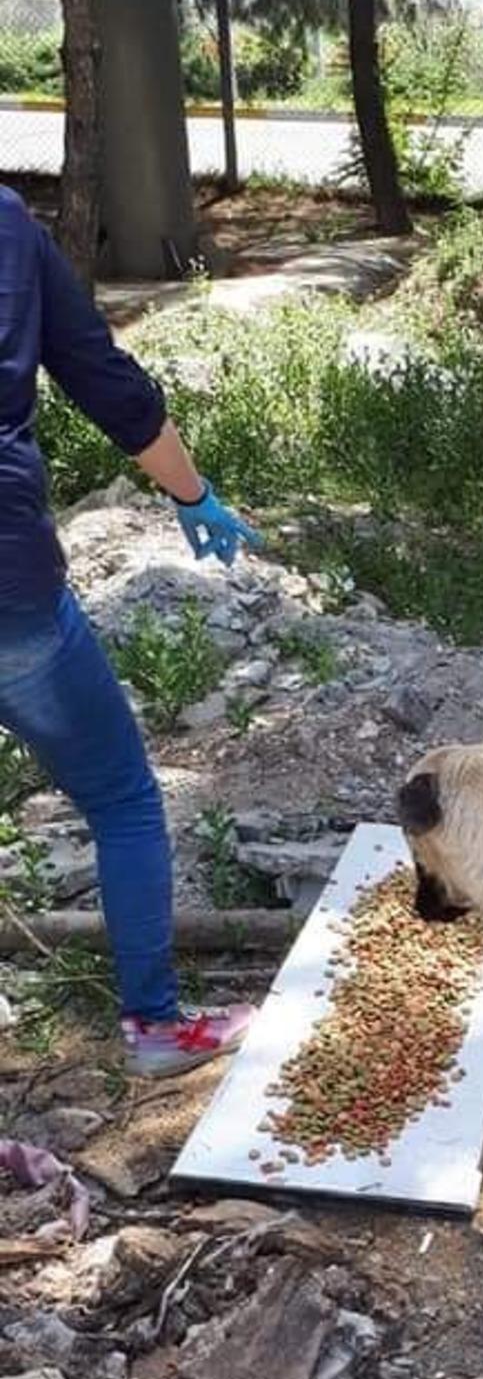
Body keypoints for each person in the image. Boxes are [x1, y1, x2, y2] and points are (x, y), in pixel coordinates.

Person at [0, 184, 260, 1075]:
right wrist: (194, 493)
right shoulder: (6, 226)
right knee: (121, 798)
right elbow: (108, 384)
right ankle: (153, 1025)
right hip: (11, 593)